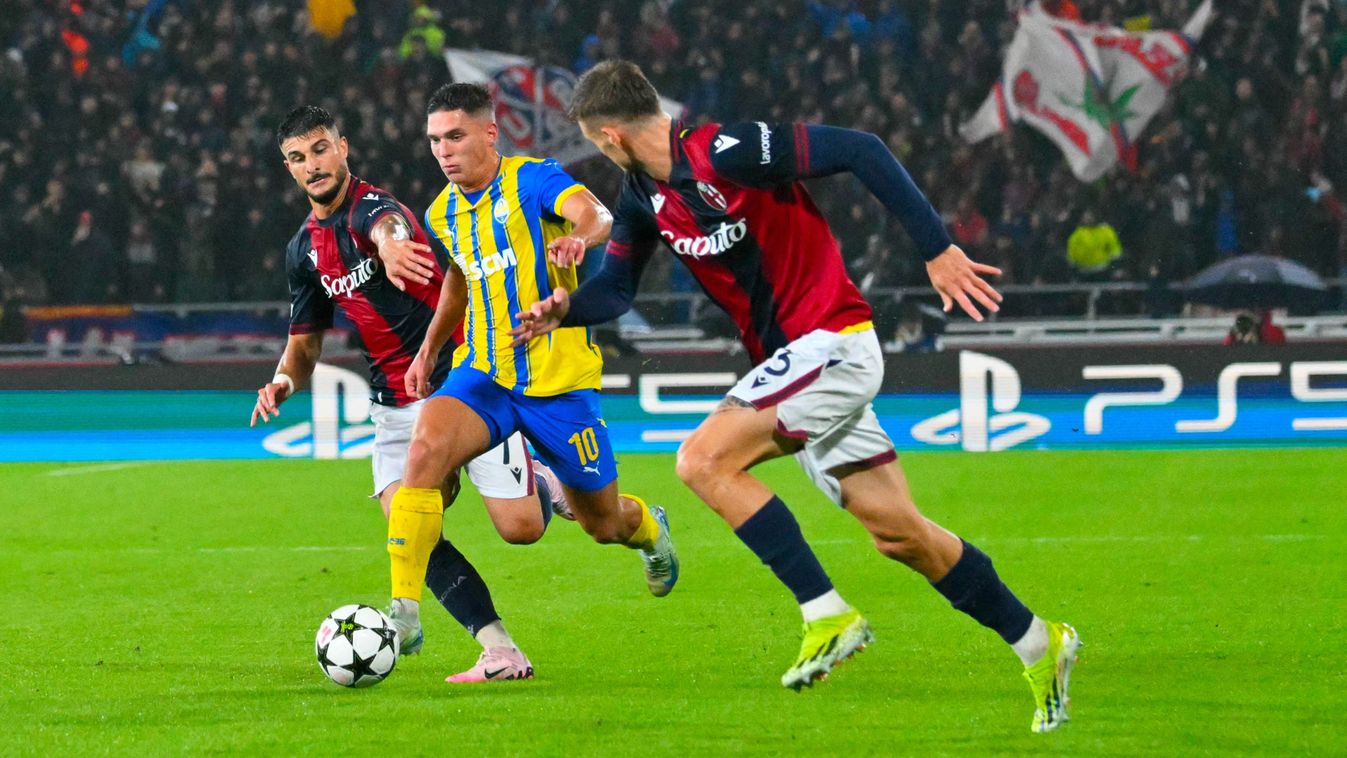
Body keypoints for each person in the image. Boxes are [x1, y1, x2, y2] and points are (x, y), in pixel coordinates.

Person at [514, 61, 1078, 733]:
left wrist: (935, 249)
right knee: (900, 535)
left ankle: (824, 612)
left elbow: (860, 150)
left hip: (831, 342)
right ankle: (1039, 643)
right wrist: (564, 307)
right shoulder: (641, 195)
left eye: (593, 142)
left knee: (701, 461)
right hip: (796, 367)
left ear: (608, 133)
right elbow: (617, 289)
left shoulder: (725, 151)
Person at [252, 105, 573, 683]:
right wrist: (281, 380)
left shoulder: (375, 207)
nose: (312, 165)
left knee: (521, 528)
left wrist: (393, 245)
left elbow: (389, 226)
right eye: (298, 158)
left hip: (460, 383)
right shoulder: (303, 250)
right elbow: (304, 347)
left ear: (343, 147)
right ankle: (499, 649)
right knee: (412, 529)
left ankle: (548, 484)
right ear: (288, 167)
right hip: (391, 404)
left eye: (321, 149)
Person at [376, 83, 680, 681]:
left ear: (489, 133)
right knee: (425, 452)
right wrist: (430, 349)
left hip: (559, 386)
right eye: (435, 140)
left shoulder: (534, 180)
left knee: (601, 523)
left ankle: (648, 529)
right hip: (484, 372)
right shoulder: (443, 211)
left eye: (456, 136)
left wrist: (579, 237)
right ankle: (404, 611)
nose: (444, 150)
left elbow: (597, 214)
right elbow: (461, 280)